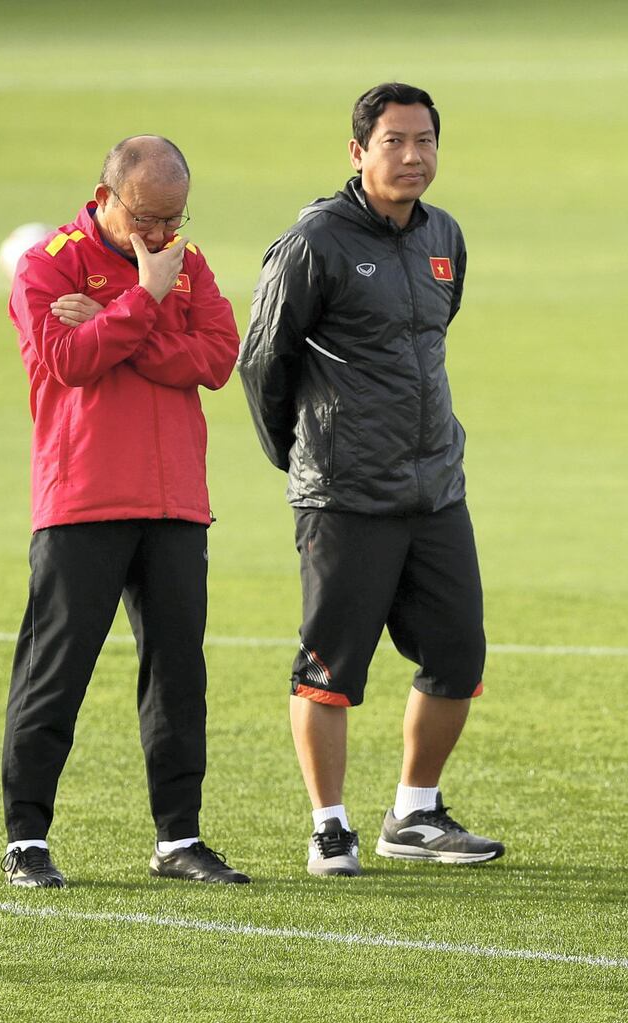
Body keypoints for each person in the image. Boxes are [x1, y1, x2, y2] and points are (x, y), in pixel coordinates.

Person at [238, 83, 504, 876]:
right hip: (345, 493)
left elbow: (431, 333)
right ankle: (330, 827)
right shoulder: (315, 241)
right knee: (330, 666)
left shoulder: (444, 235)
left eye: (425, 140)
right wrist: (305, 456)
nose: (413, 156)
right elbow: (263, 361)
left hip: (435, 488)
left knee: (459, 654)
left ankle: (414, 813)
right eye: (395, 141)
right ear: (358, 152)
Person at [1, 135, 250, 887]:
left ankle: (179, 839)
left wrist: (116, 318)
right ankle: (27, 840)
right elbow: (67, 361)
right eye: (147, 218)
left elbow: (215, 357)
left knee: (178, 676)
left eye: (173, 218)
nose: (161, 236)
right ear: (104, 195)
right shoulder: (48, 264)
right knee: (56, 671)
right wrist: (145, 301)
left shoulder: (189, 262)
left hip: (176, 500)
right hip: (82, 498)